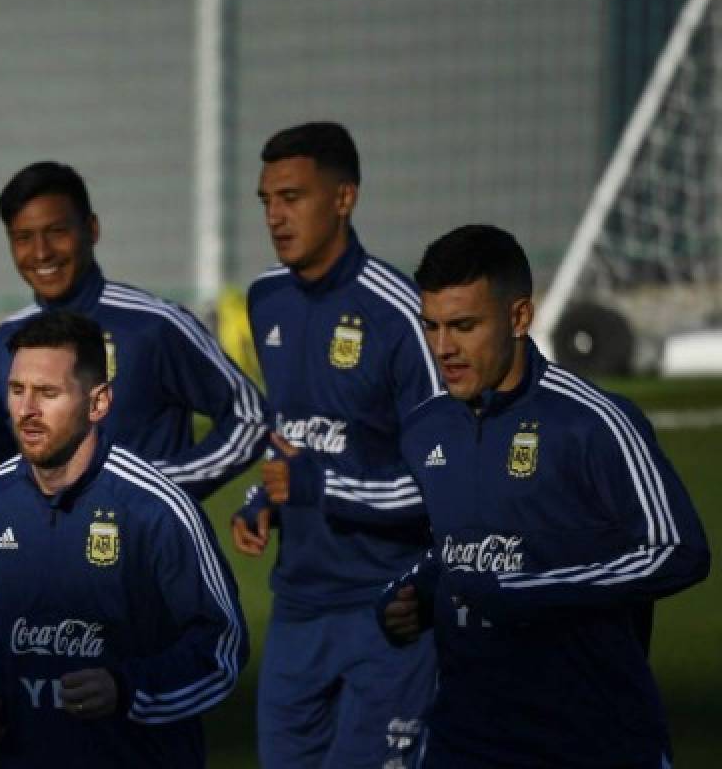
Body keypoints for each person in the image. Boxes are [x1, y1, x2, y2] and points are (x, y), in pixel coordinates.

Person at [380, 225, 710, 767]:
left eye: (463, 326)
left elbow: (678, 550)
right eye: (432, 326)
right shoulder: (424, 429)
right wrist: (410, 594)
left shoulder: (596, 422)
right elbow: (455, 549)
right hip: (466, 737)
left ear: (518, 318)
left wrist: (529, 588)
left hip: (590, 739)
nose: (443, 348)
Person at [230, 122, 442, 768]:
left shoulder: (403, 315)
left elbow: (446, 478)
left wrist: (318, 487)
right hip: (297, 608)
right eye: (266, 200)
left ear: (344, 198)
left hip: (387, 609)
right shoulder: (266, 299)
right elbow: (292, 429)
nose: (275, 215)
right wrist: (258, 495)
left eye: (292, 197)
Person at [0, 309, 248, 767]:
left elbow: (221, 648)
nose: (27, 410)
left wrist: (126, 688)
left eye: (48, 393)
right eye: (17, 391)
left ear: (98, 403)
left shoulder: (155, 508)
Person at [0, 161, 267, 499]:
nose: (41, 252)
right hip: (50, 550)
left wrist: (162, 490)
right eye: (23, 238)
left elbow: (250, 418)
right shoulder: (9, 339)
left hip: (141, 549)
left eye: (57, 232)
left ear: (92, 229)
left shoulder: (152, 325)